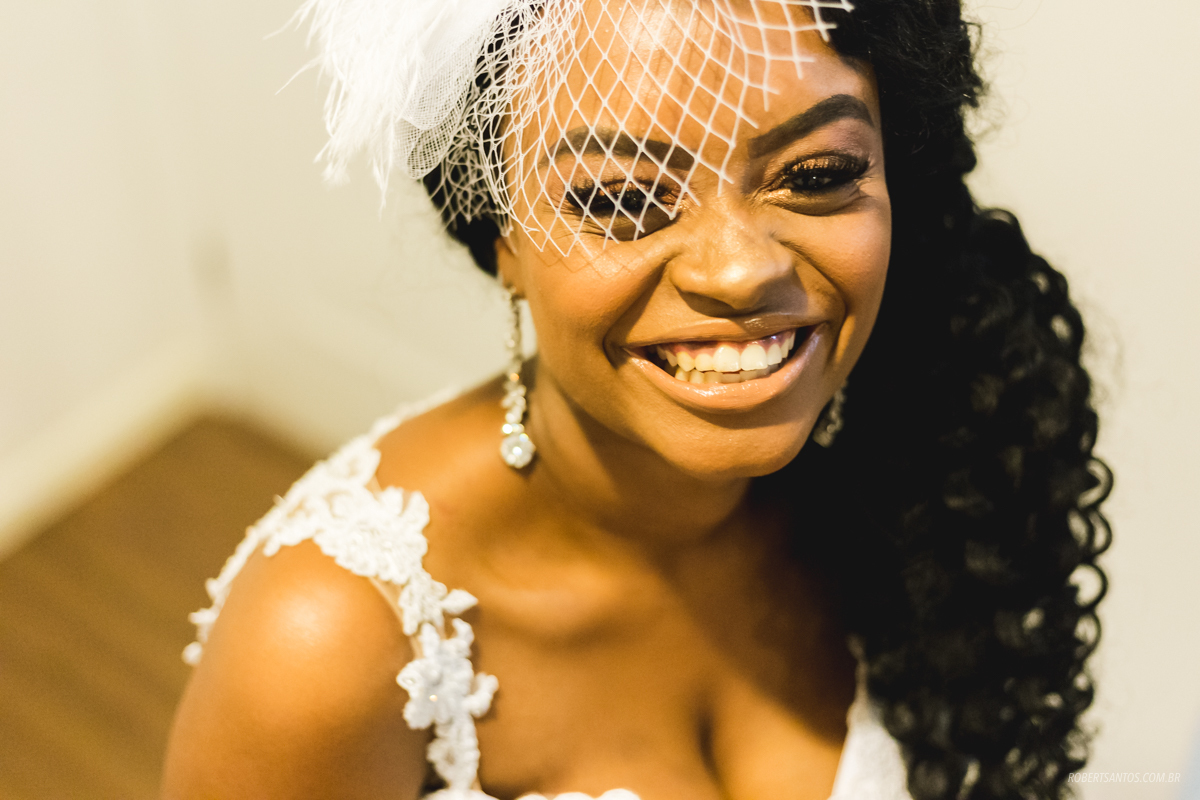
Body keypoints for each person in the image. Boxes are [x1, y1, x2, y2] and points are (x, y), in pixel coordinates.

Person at [162, 1, 1111, 799]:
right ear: (500, 235)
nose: (740, 270)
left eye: (817, 175)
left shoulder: (920, 470)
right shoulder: (324, 650)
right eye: (619, 200)